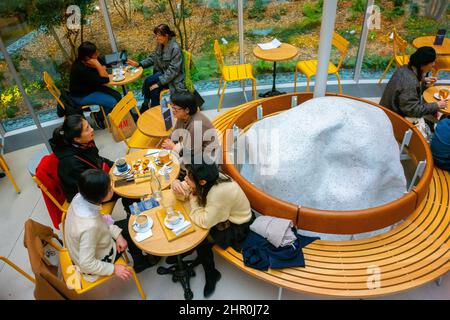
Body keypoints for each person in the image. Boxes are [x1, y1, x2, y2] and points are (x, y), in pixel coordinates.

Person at [171, 160, 254, 298]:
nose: (185, 179)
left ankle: (212, 274)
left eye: (188, 177)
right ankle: (188, 251)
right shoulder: (209, 176)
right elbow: (186, 189)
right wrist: (176, 184)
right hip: (223, 216)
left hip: (238, 226)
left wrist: (192, 200)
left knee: (201, 241)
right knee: (191, 221)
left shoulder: (218, 193)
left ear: (202, 182)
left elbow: (204, 221)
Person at [64, 169, 155, 279]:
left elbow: (100, 221)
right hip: (98, 259)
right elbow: (86, 263)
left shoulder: (80, 197)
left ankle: (138, 258)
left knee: (127, 226)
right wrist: (113, 268)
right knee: (134, 227)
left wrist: (118, 235)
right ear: (101, 196)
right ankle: (141, 263)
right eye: (109, 188)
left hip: (89, 244)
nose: (112, 188)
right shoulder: (90, 227)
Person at [127, 24, 186, 112]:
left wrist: (158, 84)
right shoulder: (160, 44)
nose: (157, 38)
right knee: (149, 83)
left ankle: (151, 110)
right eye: (156, 35)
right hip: (162, 74)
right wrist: (139, 64)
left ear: (166, 35)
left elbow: (173, 71)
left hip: (173, 79)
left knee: (153, 88)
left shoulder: (175, 48)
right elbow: (153, 57)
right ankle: (148, 106)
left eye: (159, 35)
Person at [380, 46, 447, 119]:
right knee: (435, 117)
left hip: (386, 110)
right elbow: (412, 110)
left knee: (431, 111)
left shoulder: (404, 68)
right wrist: (437, 105)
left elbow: (408, 89)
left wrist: (423, 79)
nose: (434, 64)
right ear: (422, 64)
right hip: (393, 118)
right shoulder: (410, 82)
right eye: (432, 62)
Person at [69, 41, 122, 129]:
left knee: (118, 96)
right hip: (81, 96)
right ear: (87, 56)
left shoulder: (90, 59)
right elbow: (105, 79)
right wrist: (98, 66)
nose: (98, 54)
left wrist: (100, 66)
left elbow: (104, 64)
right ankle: (98, 116)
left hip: (92, 88)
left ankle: (102, 115)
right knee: (113, 102)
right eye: (95, 53)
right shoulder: (80, 69)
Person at [161, 91, 218, 164]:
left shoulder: (196, 126)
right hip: (190, 146)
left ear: (187, 110)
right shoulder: (182, 116)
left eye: (175, 108)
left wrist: (173, 147)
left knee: (173, 164)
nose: (172, 111)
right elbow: (175, 134)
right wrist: (167, 142)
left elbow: (192, 154)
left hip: (204, 158)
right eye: (172, 107)